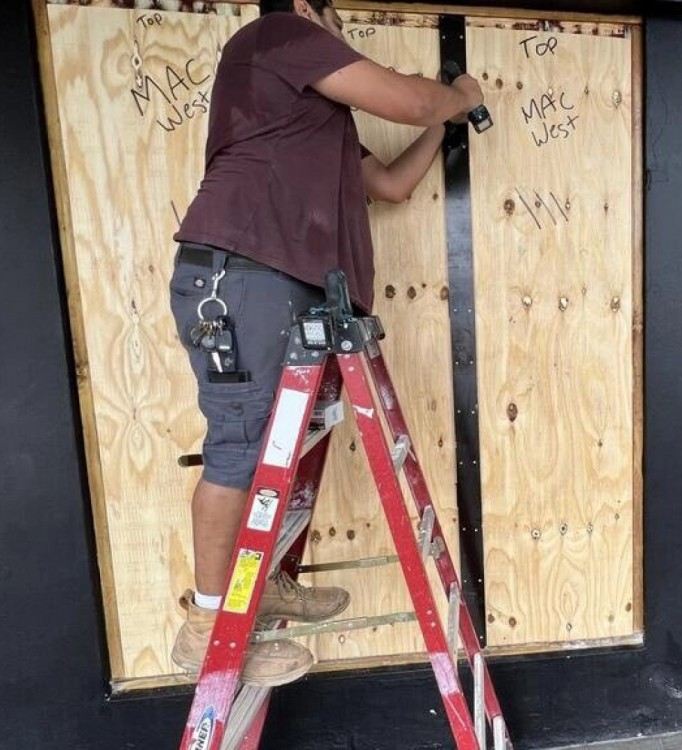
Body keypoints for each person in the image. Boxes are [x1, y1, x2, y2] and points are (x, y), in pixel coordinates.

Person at [167, 0, 484, 687]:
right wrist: (457, 97)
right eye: (340, 25)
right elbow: (403, 98)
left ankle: (260, 588)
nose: (345, 43)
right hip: (244, 276)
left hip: (281, 285)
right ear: (311, 10)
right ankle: (208, 628)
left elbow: (393, 184)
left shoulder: (311, 122)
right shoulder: (281, 33)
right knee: (239, 447)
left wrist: (447, 125)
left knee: (274, 442)